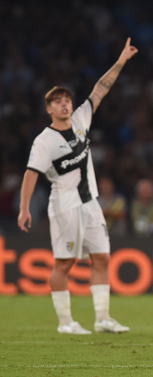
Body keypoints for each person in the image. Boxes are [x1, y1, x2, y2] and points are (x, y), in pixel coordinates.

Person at [17, 38, 138, 334]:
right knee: (65, 263)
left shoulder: (82, 117)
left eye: (67, 99)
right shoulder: (44, 141)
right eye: (58, 101)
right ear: (49, 109)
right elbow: (31, 174)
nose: (65, 103)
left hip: (90, 203)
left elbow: (101, 89)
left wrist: (121, 60)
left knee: (102, 257)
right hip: (65, 205)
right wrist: (23, 209)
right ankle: (65, 322)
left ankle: (102, 318)